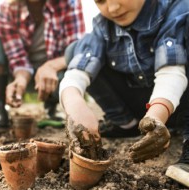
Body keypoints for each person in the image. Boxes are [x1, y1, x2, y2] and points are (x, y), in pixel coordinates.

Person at [60, 0, 189, 171]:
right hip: (143, 110)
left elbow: (171, 73)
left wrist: (156, 115)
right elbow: (76, 73)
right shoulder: (102, 25)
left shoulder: (177, 8)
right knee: (74, 51)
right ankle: (126, 124)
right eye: (100, 1)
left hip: (177, 103)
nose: (112, 8)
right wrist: (75, 105)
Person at [0, 0, 85, 129]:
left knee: (75, 67)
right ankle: (1, 109)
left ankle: (51, 107)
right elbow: (17, 58)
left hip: (56, 75)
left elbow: (77, 50)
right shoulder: (8, 8)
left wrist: (50, 67)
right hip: (22, 74)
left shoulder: (69, 3)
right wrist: (21, 78)